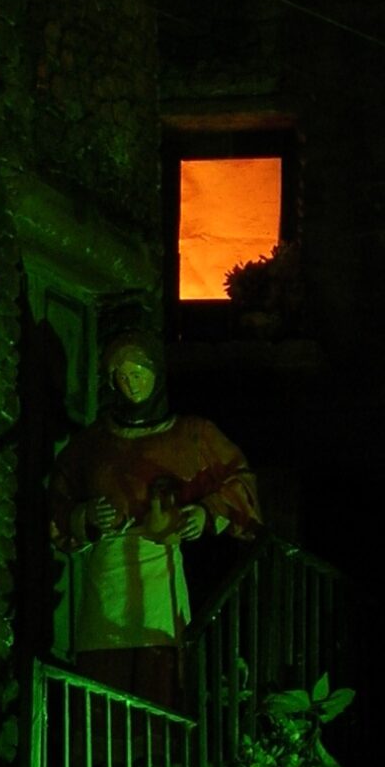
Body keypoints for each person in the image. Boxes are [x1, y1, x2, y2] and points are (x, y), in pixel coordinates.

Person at [46, 301, 260, 710]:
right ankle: (105, 744)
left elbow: (240, 481)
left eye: (139, 373)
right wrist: (84, 516)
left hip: (162, 567)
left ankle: (156, 741)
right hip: (107, 573)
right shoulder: (91, 445)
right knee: (105, 673)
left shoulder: (192, 436)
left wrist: (206, 513)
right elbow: (59, 499)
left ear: (156, 374)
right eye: (122, 376)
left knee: (158, 670)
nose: (132, 384)